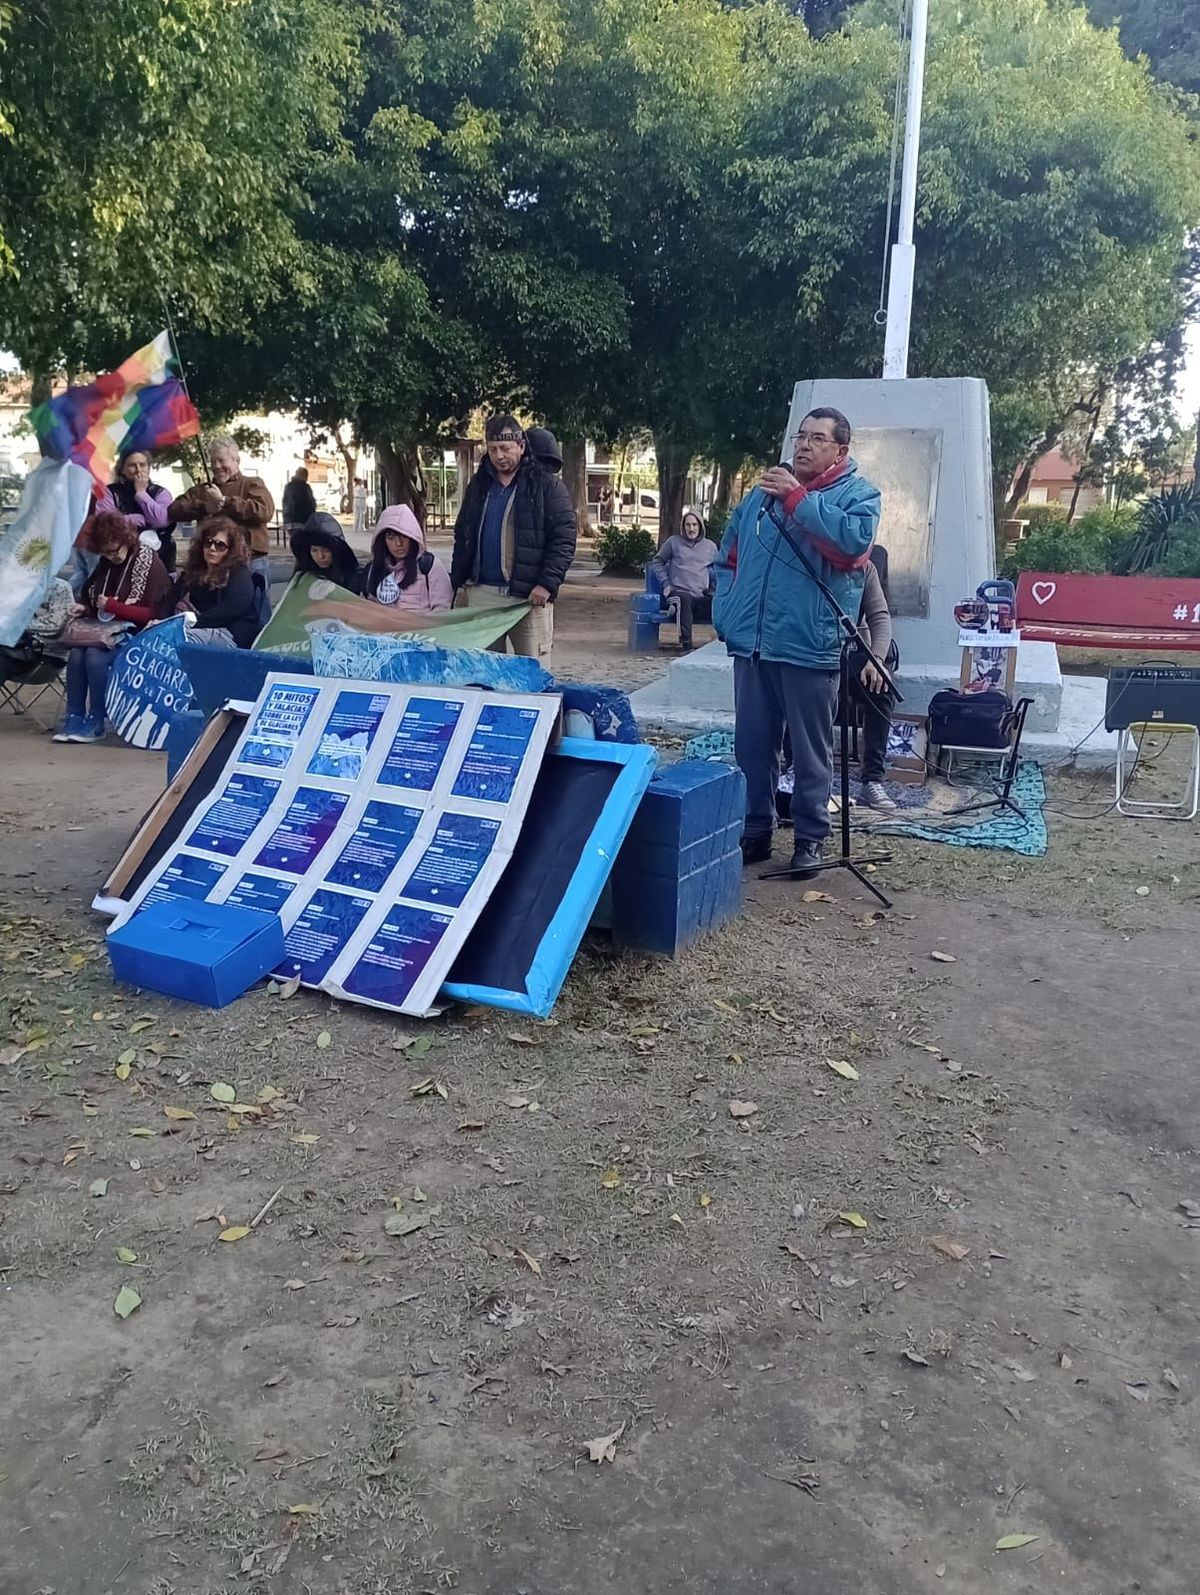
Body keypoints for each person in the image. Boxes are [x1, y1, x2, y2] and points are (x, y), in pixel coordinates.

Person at [713, 407, 880, 876]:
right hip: (754, 644)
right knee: (752, 746)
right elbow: (727, 557)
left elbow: (851, 548)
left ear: (840, 450)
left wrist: (798, 499)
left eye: (817, 438)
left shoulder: (860, 497)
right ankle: (756, 830)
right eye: (800, 436)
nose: (803, 445)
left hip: (809, 646)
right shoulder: (759, 496)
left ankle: (810, 838)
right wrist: (728, 613)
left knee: (811, 752)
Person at [779, 545, 897, 815]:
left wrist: (876, 659)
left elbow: (879, 616)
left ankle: (872, 781)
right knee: (791, 685)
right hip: (804, 654)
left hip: (846, 652)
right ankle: (796, 769)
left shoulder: (865, 568)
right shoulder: (805, 559)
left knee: (881, 687)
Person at [450, 414, 577, 662]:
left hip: (528, 597)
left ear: (521, 445)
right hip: (482, 594)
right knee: (484, 671)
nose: (499, 456)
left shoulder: (545, 485)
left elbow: (563, 539)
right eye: (493, 449)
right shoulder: (479, 485)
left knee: (533, 671)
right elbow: (462, 532)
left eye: (505, 448)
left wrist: (546, 584)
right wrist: (459, 578)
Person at [53, 512, 171, 743]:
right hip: (105, 631)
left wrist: (114, 606)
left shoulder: (148, 562)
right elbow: (92, 598)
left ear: (125, 540)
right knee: (77, 654)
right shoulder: (105, 564)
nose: (111, 556)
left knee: (95, 657)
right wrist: (84, 609)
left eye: (115, 550)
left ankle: (98, 718)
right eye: (105, 552)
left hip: (140, 633)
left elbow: (153, 613)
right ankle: (74, 715)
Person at [169, 437, 275, 608]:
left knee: (258, 610)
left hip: (251, 561)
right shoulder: (203, 490)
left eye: (221, 460)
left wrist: (225, 501)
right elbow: (174, 509)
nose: (217, 466)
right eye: (213, 461)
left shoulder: (252, 484)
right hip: (213, 564)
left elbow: (264, 510)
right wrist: (205, 507)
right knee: (218, 612)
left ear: (236, 460)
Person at [174, 517, 261, 648]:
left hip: (230, 633)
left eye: (220, 545)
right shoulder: (194, 571)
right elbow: (171, 597)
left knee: (182, 640)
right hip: (201, 628)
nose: (212, 548)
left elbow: (232, 608)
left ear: (231, 550)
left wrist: (194, 623)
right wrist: (161, 623)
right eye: (208, 542)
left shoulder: (239, 573)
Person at [361, 504, 453, 614]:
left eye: (403, 536)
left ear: (412, 537)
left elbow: (443, 611)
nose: (398, 543)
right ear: (382, 540)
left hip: (423, 630)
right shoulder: (373, 569)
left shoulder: (430, 566)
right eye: (391, 537)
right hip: (386, 630)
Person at [96, 451, 177, 571]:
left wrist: (141, 493)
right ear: (122, 469)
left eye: (142, 465)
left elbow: (161, 520)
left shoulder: (161, 493)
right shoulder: (110, 492)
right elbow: (105, 522)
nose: (138, 470)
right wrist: (137, 519)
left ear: (149, 468)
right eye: (132, 465)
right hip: (119, 558)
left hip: (160, 557)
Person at [650, 508, 715, 652]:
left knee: (720, 601)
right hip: (678, 593)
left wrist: (714, 589)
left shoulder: (710, 547)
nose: (691, 528)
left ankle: (722, 646)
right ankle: (686, 645)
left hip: (700, 596)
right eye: (688, 525)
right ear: (683, 526)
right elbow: (657, 562)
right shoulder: (673, 542)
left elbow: (719, 569)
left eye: (694, 525)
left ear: (700, 526)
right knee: (683, 600)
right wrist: (666, 583)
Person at [290, 512, 361, 593]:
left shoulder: (353, 576)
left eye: (326, 550)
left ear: (337, 549)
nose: (321, 556)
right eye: (314, 550)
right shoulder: (304, 574)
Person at [282, 467, 316, 534]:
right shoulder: (305, 487)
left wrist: (286, 520)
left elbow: (286, 504)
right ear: (305, 476)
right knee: (303, 542)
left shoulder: (288, 486)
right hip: (303, 521)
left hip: (289, 522)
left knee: (294, 541)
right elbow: (312, 504)